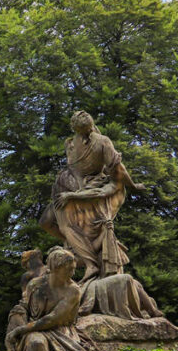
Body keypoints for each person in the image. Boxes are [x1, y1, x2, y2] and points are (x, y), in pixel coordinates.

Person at [39, 110, 147, 284]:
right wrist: (76, 187)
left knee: (64, 220)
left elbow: (119, 170)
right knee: (45, 221)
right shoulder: (70, 144)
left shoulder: (103, 142)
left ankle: (90, 264)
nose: (86, 133)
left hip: (94, 188)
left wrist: (133, 185)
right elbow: (74, 169)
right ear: (74, 128)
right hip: (72, 187)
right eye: (81, 130)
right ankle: (77, 244)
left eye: (87, 129)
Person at [6, 247, 109, 351]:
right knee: (36, 343)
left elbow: (53, 319)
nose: (73, 274)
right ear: (56, 268)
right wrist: (15, 325)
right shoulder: (35, 285)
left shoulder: (73, 290)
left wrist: (20, 330)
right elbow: (23, 309)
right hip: (35, 330)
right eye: (69, 270)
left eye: (73, 269)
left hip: (63, 332)